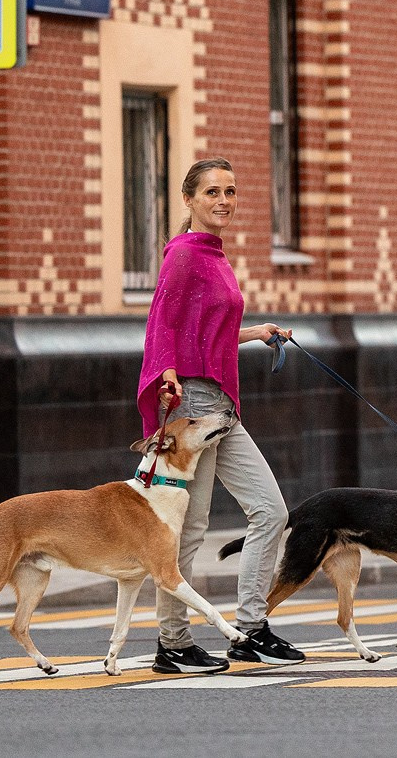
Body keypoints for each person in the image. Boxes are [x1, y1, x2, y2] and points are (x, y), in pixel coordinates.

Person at [135, 157, 304, 674]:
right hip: (192, 406)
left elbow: (202, 332)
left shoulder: (213, 254)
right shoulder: (184, 255)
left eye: (230, 191)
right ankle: (173, 642)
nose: (224, 201)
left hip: (222, 407)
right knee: (189, 527)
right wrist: (165, 374)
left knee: (270, 511)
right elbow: (162, 322)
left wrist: (256, 334)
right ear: (189, 200)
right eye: (212, 192)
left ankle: (249, 630)